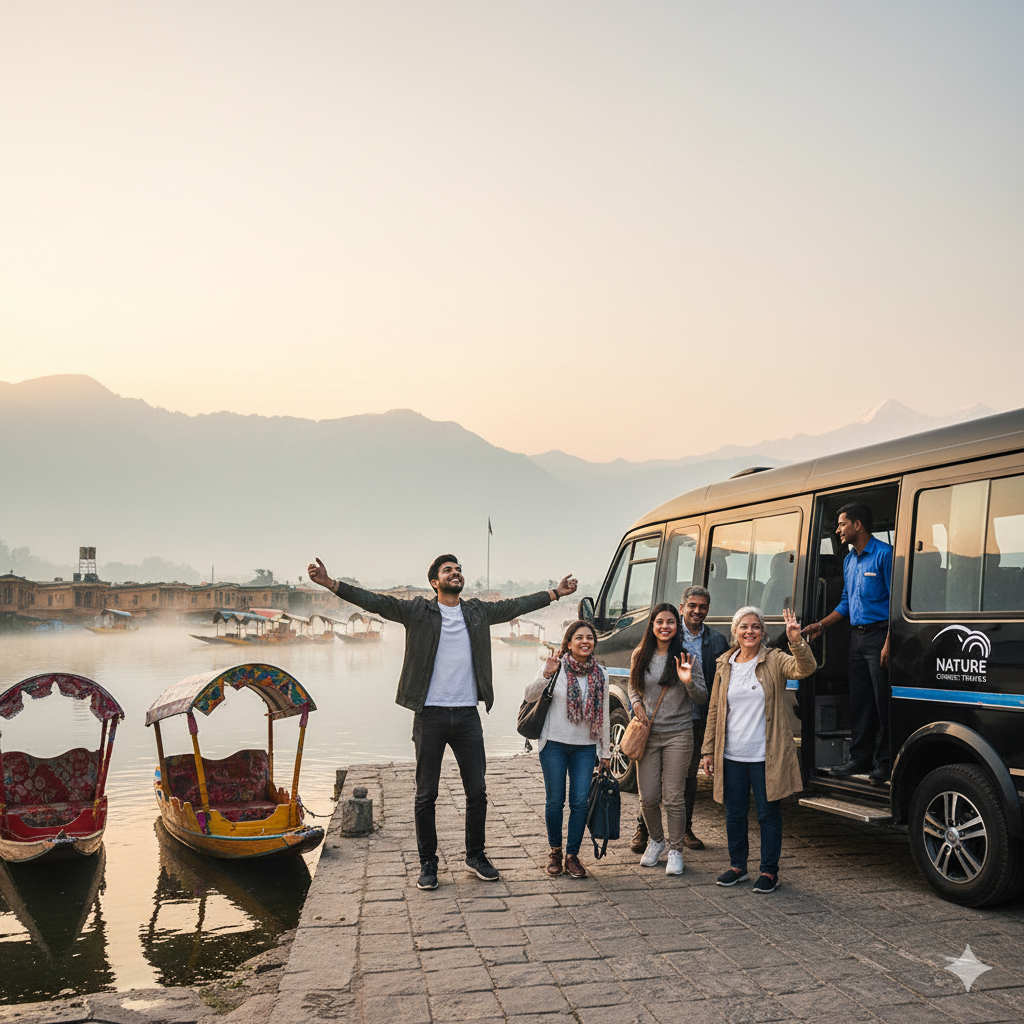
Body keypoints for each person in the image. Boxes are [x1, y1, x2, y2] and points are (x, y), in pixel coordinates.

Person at [308, 554, 577, 891]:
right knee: (426, 794)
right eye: (448, 570)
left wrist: (555, 593)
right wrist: (331, 584)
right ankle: (428, 863)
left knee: (477, 791)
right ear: (434, 581)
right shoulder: (417, 611)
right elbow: (375, 602)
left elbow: (515, 606)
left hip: (467, 715)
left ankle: (475, 855)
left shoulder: (477, 611)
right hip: (430, 715)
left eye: (459, 570)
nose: (456, 573)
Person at [700, 605, 815, 894]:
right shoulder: (724, 663)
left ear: (763, 632)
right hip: (732, 756)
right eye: (744, 627)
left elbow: (806, 668)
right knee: (735, 813)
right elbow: (715, 708)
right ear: (735, 632)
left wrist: (796, 640)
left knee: (767, 815)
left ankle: (769, 871)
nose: (749, 631)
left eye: (755, 626)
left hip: (766, 755)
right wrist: (708, 750)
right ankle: (738, 866)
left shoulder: (775, 660)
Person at [630, 586, 729, 853]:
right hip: (656, 725)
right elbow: (635, 683)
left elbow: (714, 685)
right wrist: (636, 703)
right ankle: (646, 829)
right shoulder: (656, 644)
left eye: (703, 606)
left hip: (693, 720)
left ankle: (682, 832)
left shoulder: (717, 641)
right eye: (692, 606)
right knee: (650, 788)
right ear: (682, 607)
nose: (697, 611)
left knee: (686, 780)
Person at [801, 502, 893, 784]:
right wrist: (819, 626)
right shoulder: (849, 560)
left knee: (882, 703)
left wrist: (889, 642)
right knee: (861, 701)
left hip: (880, 636)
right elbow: (845, 604)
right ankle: (859, 758)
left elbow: (895, 603)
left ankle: (885, 764)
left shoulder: (885, 555)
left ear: (857, 525)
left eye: (841, 524)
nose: (838, 530)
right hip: (857, 638)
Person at [524, 620, 610, 879]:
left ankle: (572, 855)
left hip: (585, 747)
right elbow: (529, 696)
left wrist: (605, 751)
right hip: (554, 744)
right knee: (555, 801)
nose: (585, 641)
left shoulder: (600, 673)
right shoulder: (556, 667)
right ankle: (555, 851)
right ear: (569, 643)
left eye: (590, 637)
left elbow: (603, 714)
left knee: (579, 803)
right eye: (579, 637)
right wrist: (545, 674)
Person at [628, 603, 707, 876]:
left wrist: (687, 680)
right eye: (660, 621)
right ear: (652, 625)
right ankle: (656, 840)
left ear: (678, 625)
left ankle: (675, 850)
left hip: (679, 735)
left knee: (674, 797)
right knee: (648, 796)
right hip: (648, 735)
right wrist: (636, 703)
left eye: (670, 622)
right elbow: (632, 684)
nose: (665, 626)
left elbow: (702, 697)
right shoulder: (641, 654)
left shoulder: (687, 655)